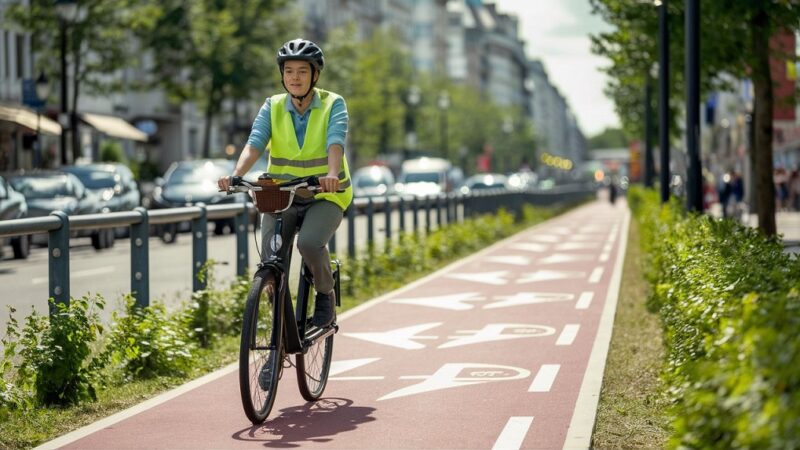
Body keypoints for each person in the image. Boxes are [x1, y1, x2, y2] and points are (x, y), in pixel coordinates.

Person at [218, 38, 352, 328]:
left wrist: (331, 173)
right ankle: (278, 339)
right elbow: (255, 143)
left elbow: (335, 141)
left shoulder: (333, 104)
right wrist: (236, 174)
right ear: (282, 75)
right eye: (289, 71)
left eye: (302, 71)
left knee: (310, 244)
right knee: (271, 260)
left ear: (315, 75)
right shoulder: (273, 106)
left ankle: (325, 296)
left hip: (324, 195)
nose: (295, 77)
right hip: (282, 196)